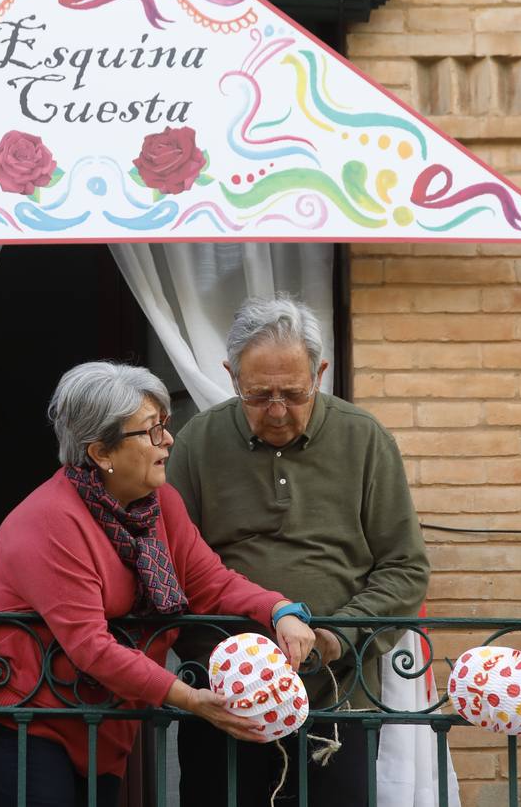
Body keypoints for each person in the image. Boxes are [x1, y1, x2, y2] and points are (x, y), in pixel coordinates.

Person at [0, 361, 316, 807]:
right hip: (18, 718)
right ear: (101, 452)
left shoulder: (160, 504)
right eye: (149, 431)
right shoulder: (47, 521)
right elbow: (91, 645)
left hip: (99, 724)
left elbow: (211, 582)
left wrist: (280, 610)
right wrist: (190, 699)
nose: (167, 439)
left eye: (164, 424)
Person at [168, 295, 431, 807]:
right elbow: (170, 570)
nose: (277, 411)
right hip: (225, 698)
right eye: (258, 394)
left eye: (293, 392)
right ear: (230, 375)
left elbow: (404, 567)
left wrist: (339, 636)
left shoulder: (364, 439)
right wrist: (223, 659)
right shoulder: (197, 442)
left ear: (320, 373)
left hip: (338, 701)